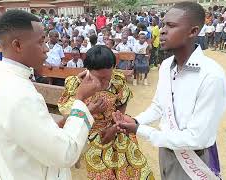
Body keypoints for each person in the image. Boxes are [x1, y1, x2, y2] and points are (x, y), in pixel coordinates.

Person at [114, 2, 226, 179]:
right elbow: (159, 107)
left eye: (171, 26)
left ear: (193, 31)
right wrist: (134, 120)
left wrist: (139, 129)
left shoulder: (211, 76)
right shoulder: (167, 66)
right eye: (163, 24)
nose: (162, 30)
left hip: (193, 158)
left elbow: (196, 138)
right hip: (166, 150)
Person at [0, 10, 102, 179]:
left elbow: (33, 134)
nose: (46, 49)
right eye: (41, 42)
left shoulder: (3, 79)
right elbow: (65, 153)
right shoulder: (18, 93)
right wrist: (80, 99)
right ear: (17, 45)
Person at [58, 45, 154, 180]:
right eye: (99, 78)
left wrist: (114, 126)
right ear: (88, 71)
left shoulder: (117, 80)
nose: (104, 82)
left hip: (113, 130)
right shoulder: (75, 84)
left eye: (107, 77)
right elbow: (67, 119)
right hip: (85, 133)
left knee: (132, 168)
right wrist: (89, 110)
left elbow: (122, 104)